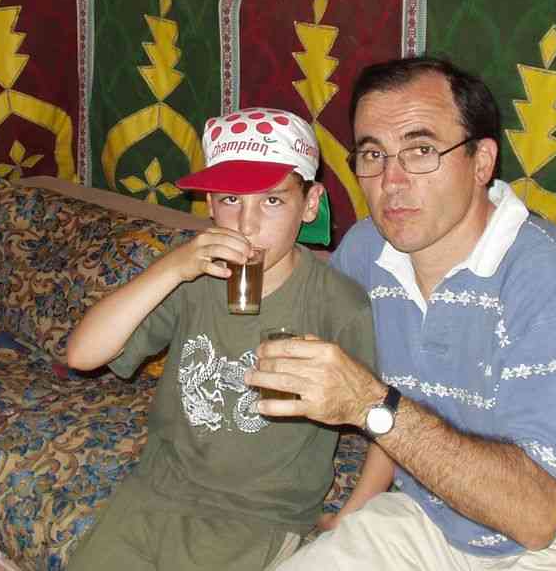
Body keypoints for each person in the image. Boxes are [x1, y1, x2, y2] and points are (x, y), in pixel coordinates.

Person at [245, 57, 556, 570]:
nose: (391, 181)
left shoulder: (553, 275)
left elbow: (536, 516)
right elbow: (295, 341)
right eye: (373, 154)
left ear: (482, 162)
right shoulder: (368, 251)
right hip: (430, 515)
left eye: (421, 151)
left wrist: (368, 403)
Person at [66, 107, 377, 571]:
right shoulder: (192, 278)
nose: (247, 225)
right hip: (156, 489)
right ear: (210, 204)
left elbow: (386, 418)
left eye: (272, 201)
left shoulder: (340, 305)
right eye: (231, 199)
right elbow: (81, 354)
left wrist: (354, 513)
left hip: (259, 515)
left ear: (310, 204)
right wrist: (172, 268)